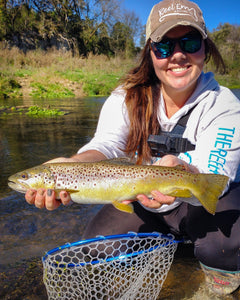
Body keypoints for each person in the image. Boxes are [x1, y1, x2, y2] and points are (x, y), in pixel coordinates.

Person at [25, 0, 240, 296]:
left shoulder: (225, 105)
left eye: (189, 42)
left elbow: (216, 173)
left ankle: (219, 272)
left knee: (225, 245)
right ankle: (162, 253)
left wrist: (181, 170)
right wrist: (72, 164)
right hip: (141, 195)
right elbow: (107, 144)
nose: (177, 55)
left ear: (206, 48)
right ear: (150, 53)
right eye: (164, 46)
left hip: (196, 201)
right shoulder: (127, 96)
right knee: (97, 247)